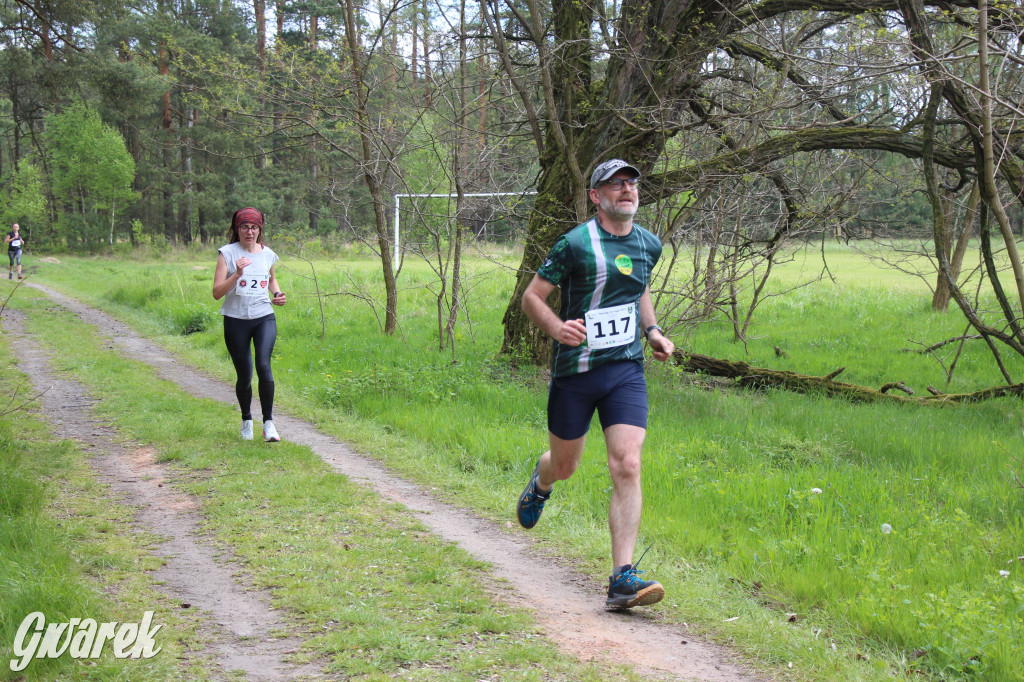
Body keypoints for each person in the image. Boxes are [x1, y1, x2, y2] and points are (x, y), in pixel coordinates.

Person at [516, 158, 675, 609]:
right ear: (596, 196)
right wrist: (556, 328)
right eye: (616, 184)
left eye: (632, 184)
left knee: (627, 462)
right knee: (566, 465)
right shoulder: (574, 243)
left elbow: (638, 287)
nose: (627, 190)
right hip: (576, 372)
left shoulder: (649, 245)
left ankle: (622, 579)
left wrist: (653, 332)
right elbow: (532, 297)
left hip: (625, 369)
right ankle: (542, 480)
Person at [212, 208, 286, 442]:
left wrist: (278, 293)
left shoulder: (268, 254)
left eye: (254, 227)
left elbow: (271, 278)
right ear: (237, 229)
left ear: (260, 230)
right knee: (244, 376)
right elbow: (216, 293)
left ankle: (269, 423)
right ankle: (246, 420)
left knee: (264, 366)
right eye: (244, 227)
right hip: (236, 320)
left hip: (263, 316)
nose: (249, 231)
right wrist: (237, 274)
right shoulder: (227, 253)